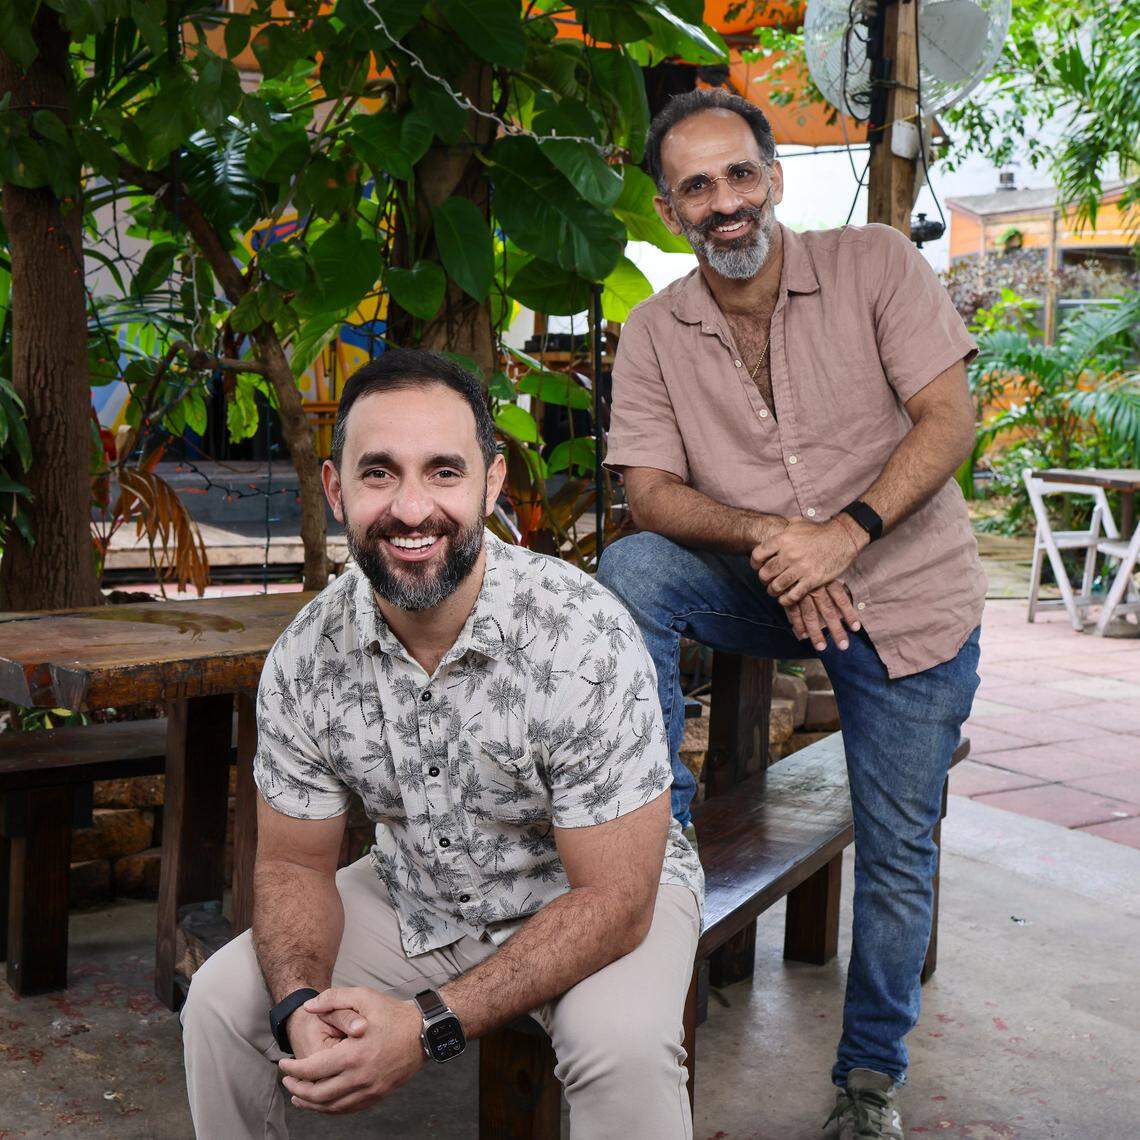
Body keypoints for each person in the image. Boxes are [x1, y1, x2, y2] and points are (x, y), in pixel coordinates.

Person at [180, 349, 703, 1138]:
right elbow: (292, 863)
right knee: (222, 1003)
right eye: (380, 473)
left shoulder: (581, 635)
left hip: (595, 891)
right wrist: (296, 1004)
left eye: (445, 473)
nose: (413, 508)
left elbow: (617, 901)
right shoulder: (307, 656)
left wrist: (427, 1026)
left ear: (492, 483)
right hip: (421, 886)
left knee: (622, 1047)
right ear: (336, 488)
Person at [596, 88, 983, 1139]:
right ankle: (659, 827)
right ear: (672, 212)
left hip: (908, 603)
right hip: (774, 586)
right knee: (631, 567)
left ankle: (869, 1080)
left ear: (771, 176)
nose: (723, 203)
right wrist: (786, 542)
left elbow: (951, 419)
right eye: (695, 187)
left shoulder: (876, 264)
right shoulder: (656, 328)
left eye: (737, 175)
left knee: (899, 851)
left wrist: (843, 535)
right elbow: (650, 490)